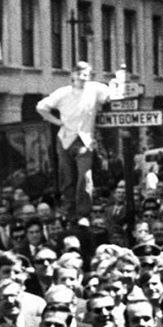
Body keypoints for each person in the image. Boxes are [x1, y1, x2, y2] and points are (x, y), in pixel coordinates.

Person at [35, 62, 111, 220]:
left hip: (85, 140)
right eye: (79, 74)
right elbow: (41, 107)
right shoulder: (63, 92)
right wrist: (57, 122)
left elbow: (110, 96)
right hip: (65, 140)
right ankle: (70, 213)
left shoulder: (95, 89)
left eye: (86, 74)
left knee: (85, 177)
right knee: (67, 178)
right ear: (73, 75)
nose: (82, 77)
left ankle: (83, 213)